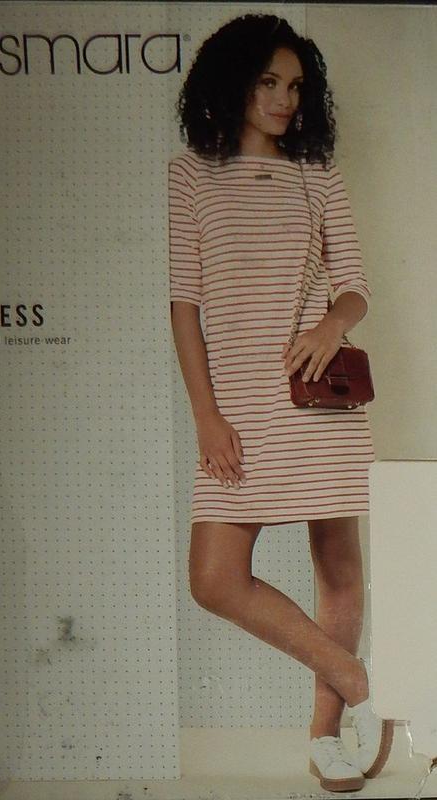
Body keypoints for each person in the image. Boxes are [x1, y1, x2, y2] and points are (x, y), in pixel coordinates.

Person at [168, 13, 394, 794]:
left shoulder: (317, 175)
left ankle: (326, 740)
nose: (285, 99)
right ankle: (362, 683)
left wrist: (332, 324)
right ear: (233, 82)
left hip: (317, 402)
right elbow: (185, 307)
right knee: (214, 578)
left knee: (339, 572)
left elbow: (355, 286)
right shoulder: (190, 175)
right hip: (236, 409)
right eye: (269, 81)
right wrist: (206, 415)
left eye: (296, 86)